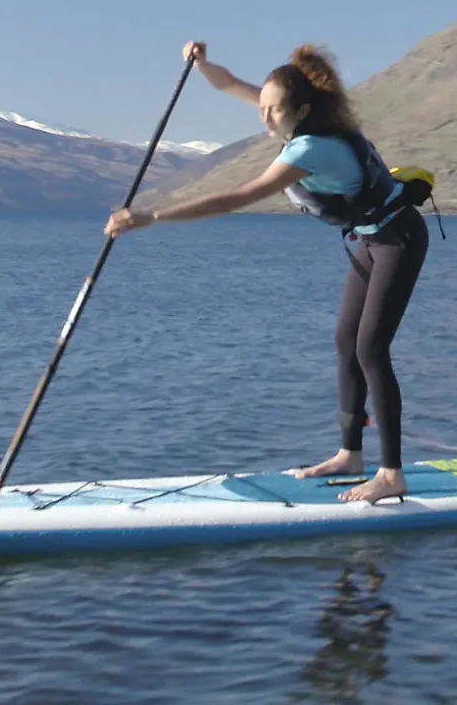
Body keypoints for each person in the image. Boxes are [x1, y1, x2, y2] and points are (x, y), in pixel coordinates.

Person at [105, 41, 430, 505]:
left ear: (300, 108)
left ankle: (391, 473)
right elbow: (233, 85)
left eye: (274, 111)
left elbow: (238, 197)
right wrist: (202, 66)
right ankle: (350, 454)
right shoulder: (298, 115)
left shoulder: (313, 148)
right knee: (346, 341)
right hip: (369, 238)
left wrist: (153, 217)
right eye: (264, 108)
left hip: (398, 238)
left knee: (370, 347)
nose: (265, 118)